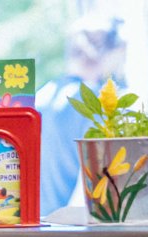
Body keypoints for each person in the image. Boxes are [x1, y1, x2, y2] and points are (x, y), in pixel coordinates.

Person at [39, 14, 130, 212]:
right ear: (116, 52)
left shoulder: (42, 96)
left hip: (33, 228)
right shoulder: (101, 104)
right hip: (70, 232)